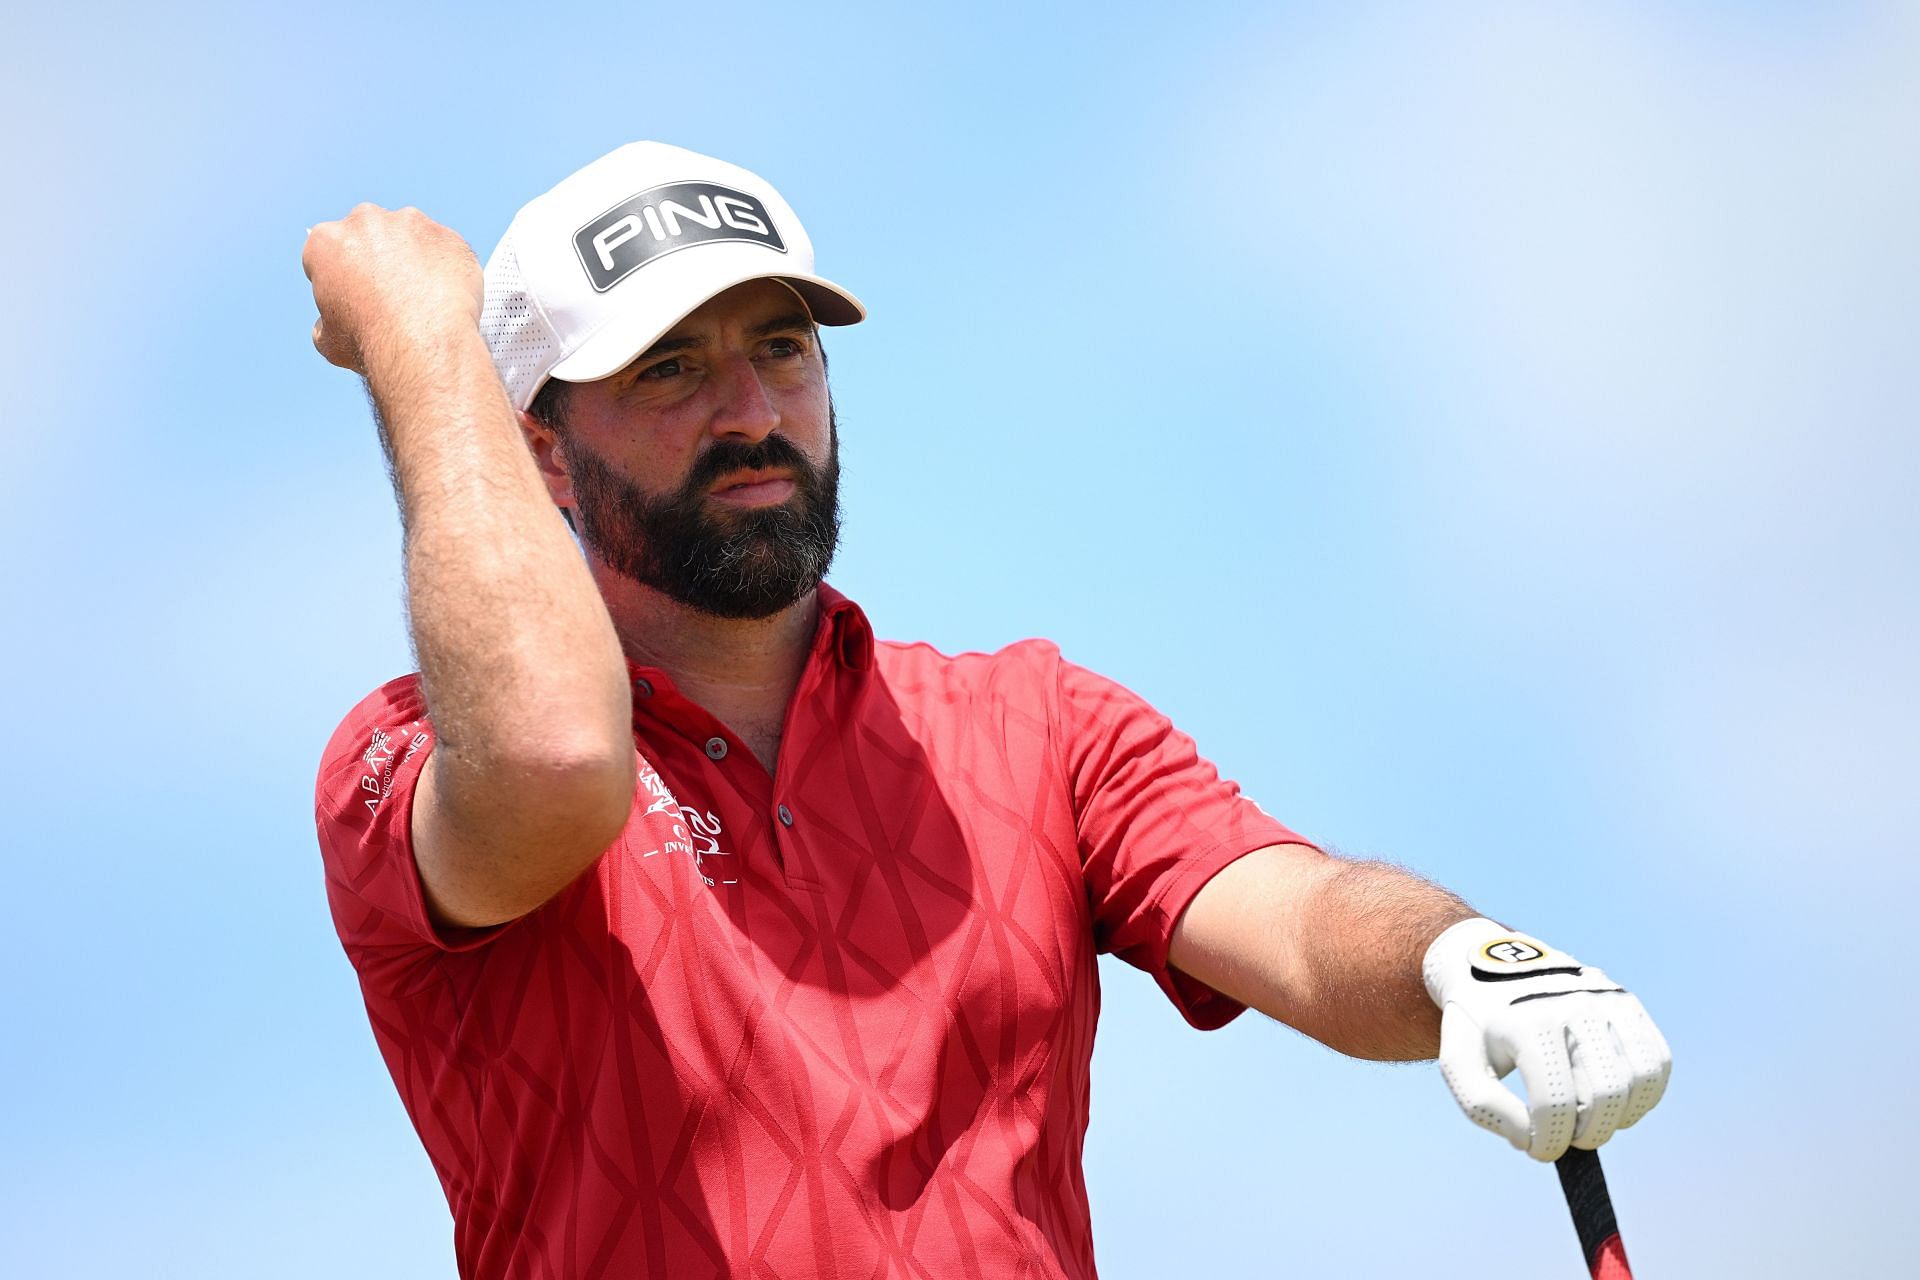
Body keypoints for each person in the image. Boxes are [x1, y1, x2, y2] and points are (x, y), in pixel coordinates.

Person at [304, 141, 1671, 1279]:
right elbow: (549, 754)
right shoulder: (412, 760)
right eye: (669, 369)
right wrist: (426, 343)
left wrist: (1459, 961)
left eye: (782, 350)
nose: (750, 410)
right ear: (540, 442)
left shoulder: (1037, 724)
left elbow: (1305, 926)